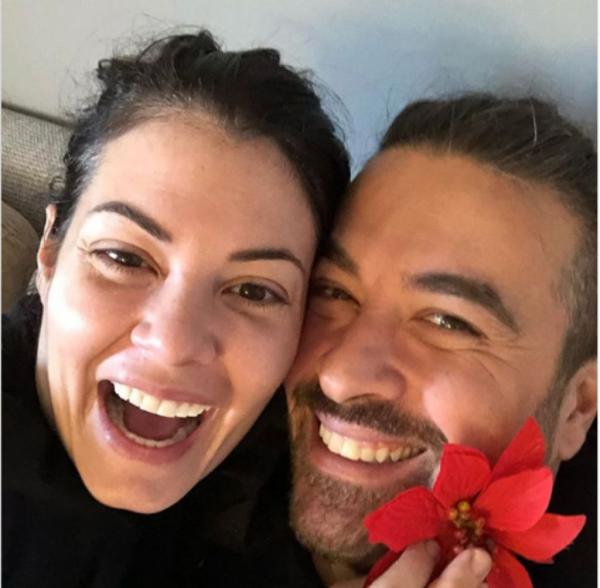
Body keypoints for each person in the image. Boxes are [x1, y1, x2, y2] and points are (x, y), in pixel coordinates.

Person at [2, 29, 350, 586]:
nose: (174, 341)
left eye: (254, 291)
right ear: (50, 254)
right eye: (123, 258)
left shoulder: (297, 493)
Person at [283, 93, 597, 586]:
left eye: (447, 322)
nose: (341, 377)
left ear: (578, 407)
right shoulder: (186, 493)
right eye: (334, 292)